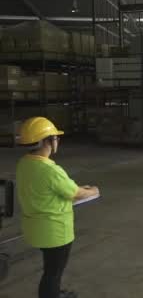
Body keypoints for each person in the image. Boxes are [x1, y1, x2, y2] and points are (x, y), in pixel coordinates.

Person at [16, 117, 100, 298]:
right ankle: (51, 294)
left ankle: (53, 292)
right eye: (55, 138)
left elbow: (54, 189)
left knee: (50, 268)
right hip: (55, 232)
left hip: (35, 229)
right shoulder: (50, 171)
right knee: (53, 273)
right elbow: (75, 193)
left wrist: (76, 188)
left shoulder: (25, 164)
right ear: (47, 141)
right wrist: (92, 190)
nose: (57, 141)